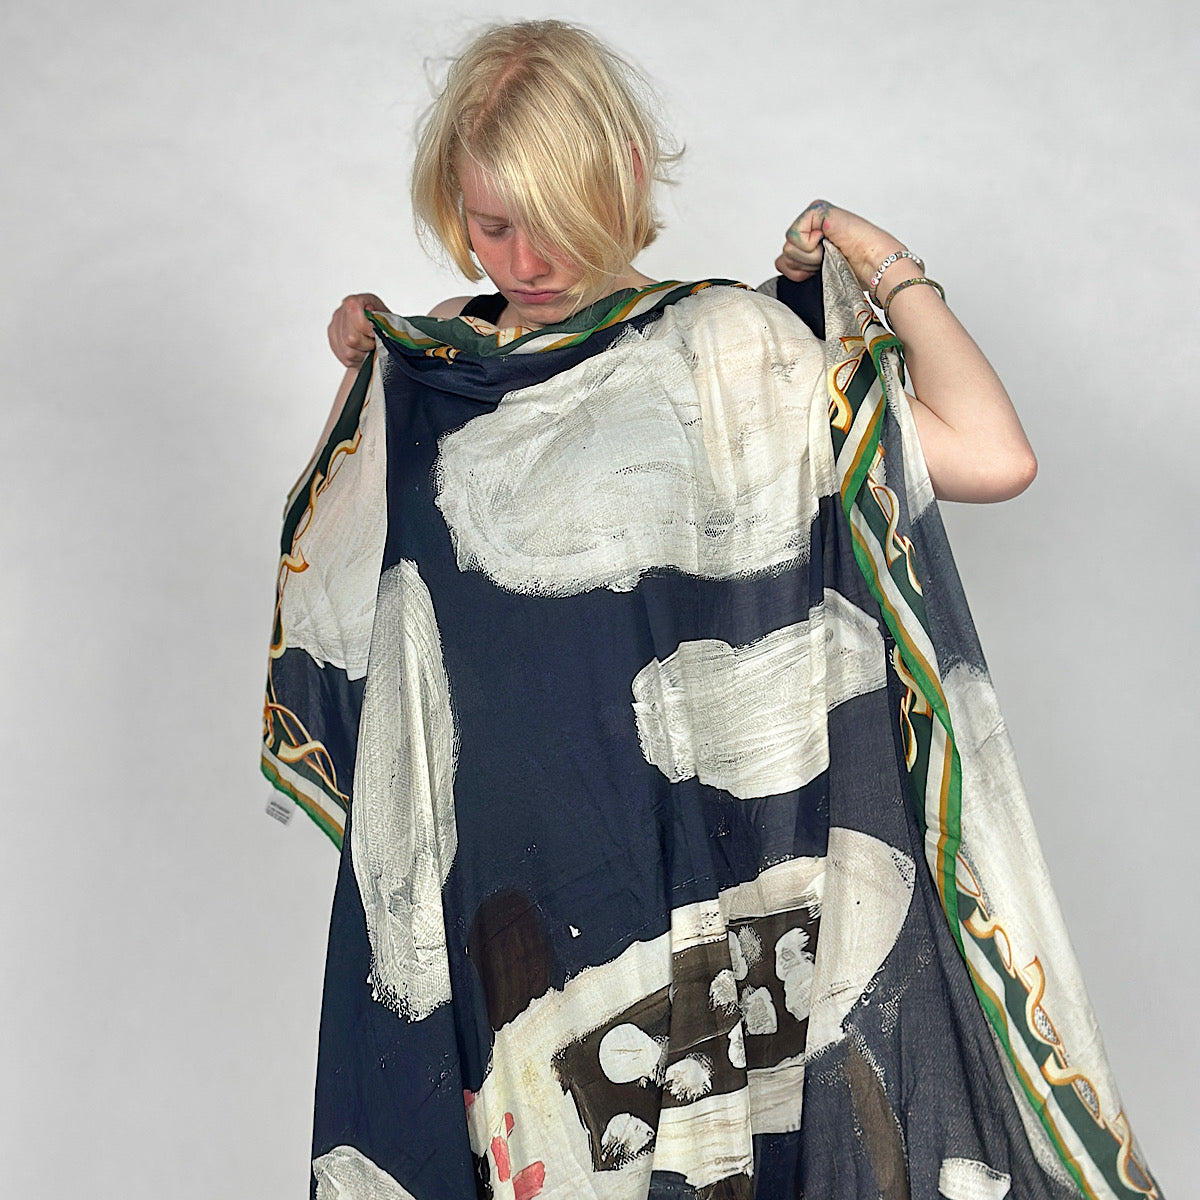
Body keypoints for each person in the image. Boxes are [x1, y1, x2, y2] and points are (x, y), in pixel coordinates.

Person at [263, 19, 1160, 1200]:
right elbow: (365, 591)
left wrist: (883, 261)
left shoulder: (725, 350)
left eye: (556, 214)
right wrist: (368, 374)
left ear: (625, 176)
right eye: (492, 223)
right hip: (495, 896)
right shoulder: (449, 366)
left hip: (685, 871)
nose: (526, 257)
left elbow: (993, 455)